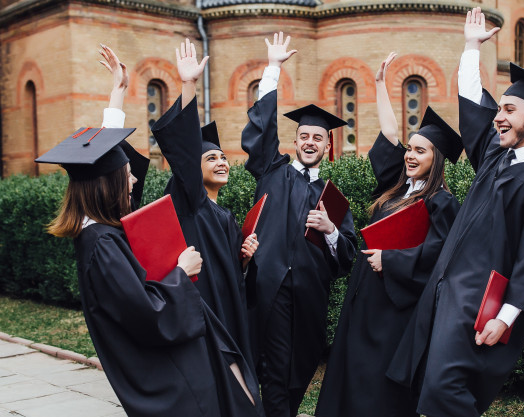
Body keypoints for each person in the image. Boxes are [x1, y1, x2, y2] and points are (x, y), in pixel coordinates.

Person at [38, 45, 261, 417]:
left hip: (171, 364)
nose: (132, 179)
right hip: (168, 378)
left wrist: (118, 93)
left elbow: (101, 154)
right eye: (124, 174)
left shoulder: (102, 234)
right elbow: (147, 312)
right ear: (105, 185)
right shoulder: (102, 244)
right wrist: (181, 273)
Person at [386, 8, 524, 416]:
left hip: (482, 306)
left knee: (445, 391)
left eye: (509, 110)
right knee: (426, 384)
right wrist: (471, 48)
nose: (498, 117)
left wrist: (506, 317)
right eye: (501, 109)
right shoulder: (498, 158)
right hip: (447, 292)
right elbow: (474, 106)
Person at [315, 52, 462, 417]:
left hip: (396, 307)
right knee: (349, 372)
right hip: (364, 299)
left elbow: (441, 255)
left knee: (376, 385)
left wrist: (391, 260)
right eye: (410, 149)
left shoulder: (442, 202)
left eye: (420, 151)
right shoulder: (397, 189)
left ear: (437, 158)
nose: (410, 155)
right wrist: (381, 85)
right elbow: (389, 136)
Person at [241, 32, 358, 417]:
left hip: (310, 297)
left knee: (301, 369)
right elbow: (259, 132)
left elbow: (348, 256)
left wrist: (331, 230)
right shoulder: (271, 171)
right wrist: (272, 69)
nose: (310, 142)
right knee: (275, 371)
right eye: (304, 136)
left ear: (328, 146)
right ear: (295, 141)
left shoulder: (333, 197)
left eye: (317, 138)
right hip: (270, 289)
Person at [150, 39, 262, 399]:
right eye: (210, 158)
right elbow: (182, 154)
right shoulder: (190, 201)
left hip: (228, 310)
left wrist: (244, 258)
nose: (221, 162)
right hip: (205, 311)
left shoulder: (225, 215)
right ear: (192, 172)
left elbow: (233, 273)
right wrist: (189, 86)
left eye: (223, 157)